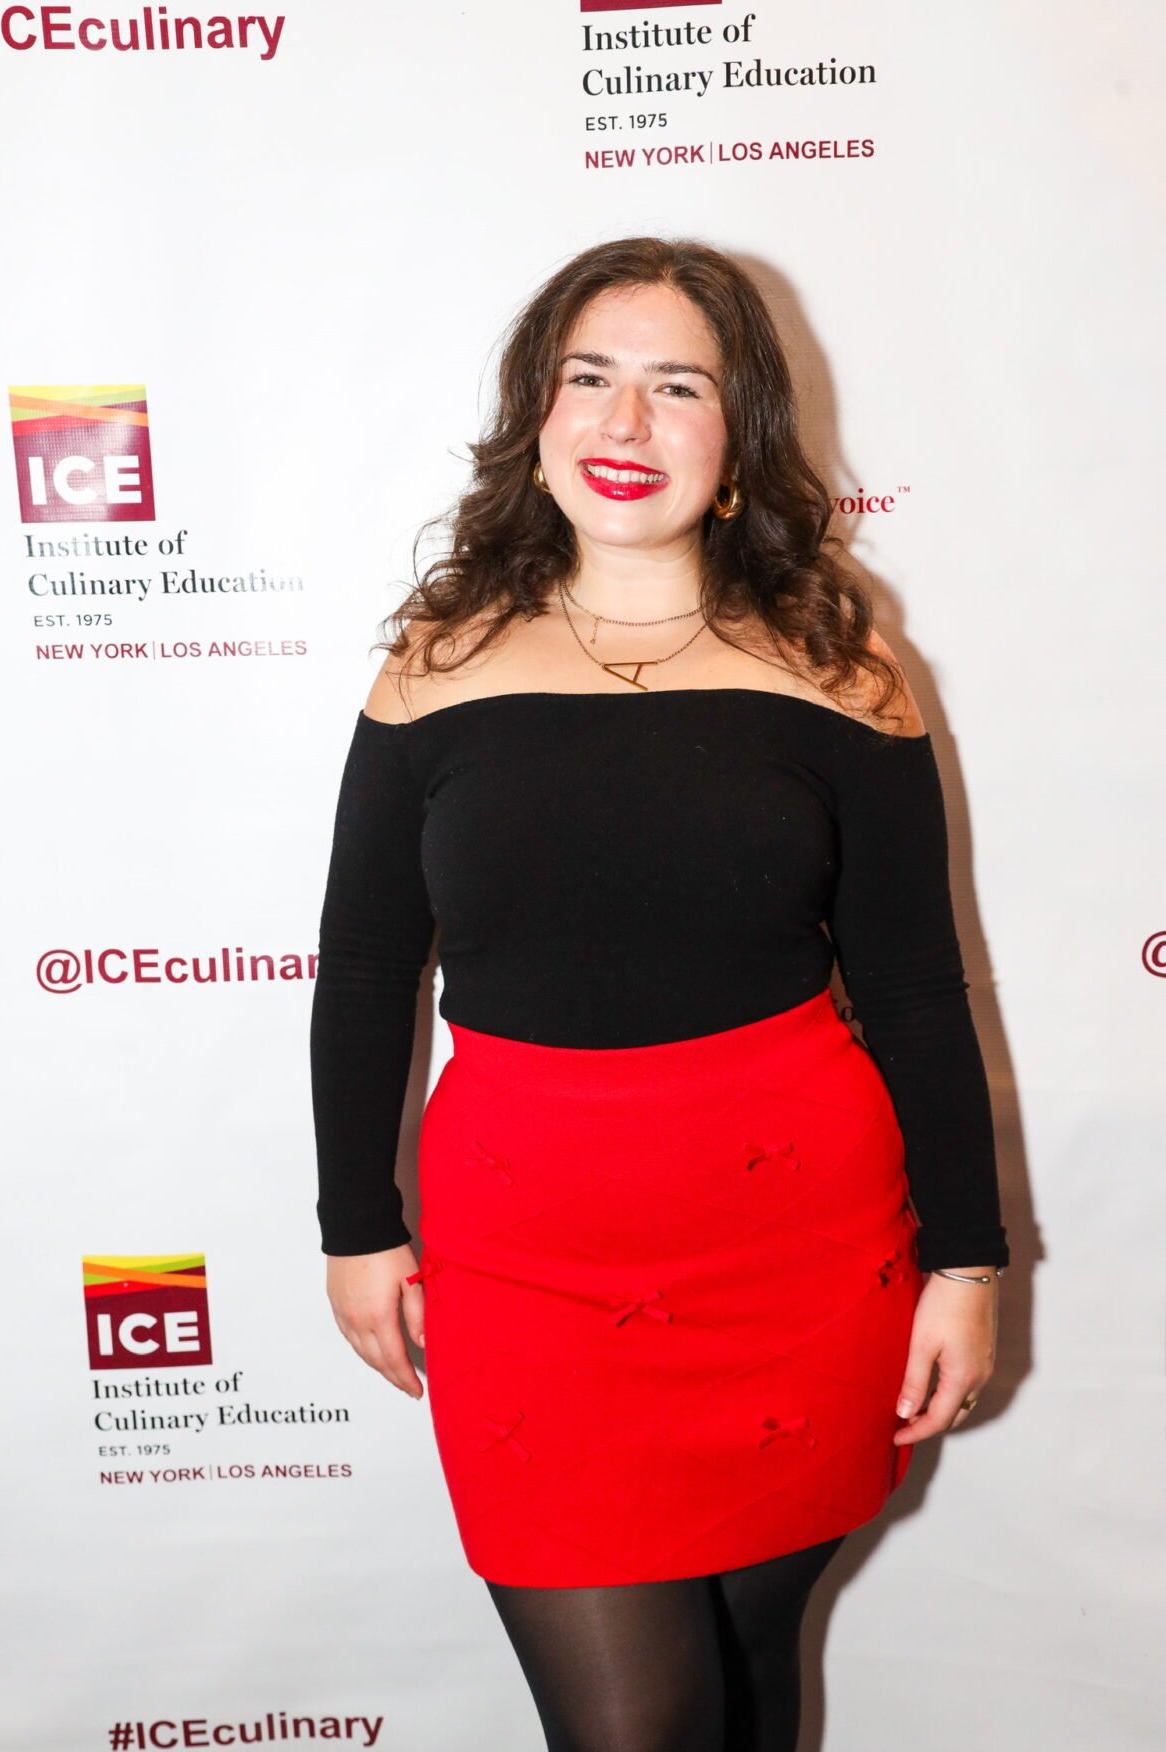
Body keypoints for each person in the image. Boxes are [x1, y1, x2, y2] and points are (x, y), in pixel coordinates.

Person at [309, 236, 1009, 1752]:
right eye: (590, 381)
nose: (625, 427)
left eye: (675, 387)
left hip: (802, 1254)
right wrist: (355, 1224)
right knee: (639, 1726)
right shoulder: (437, 663)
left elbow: (909, 981)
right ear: (538, 422)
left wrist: (967, 1260)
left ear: (739, 437)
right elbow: (367, 966)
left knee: (752, 1679)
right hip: (526, 1265)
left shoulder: (839, 663)